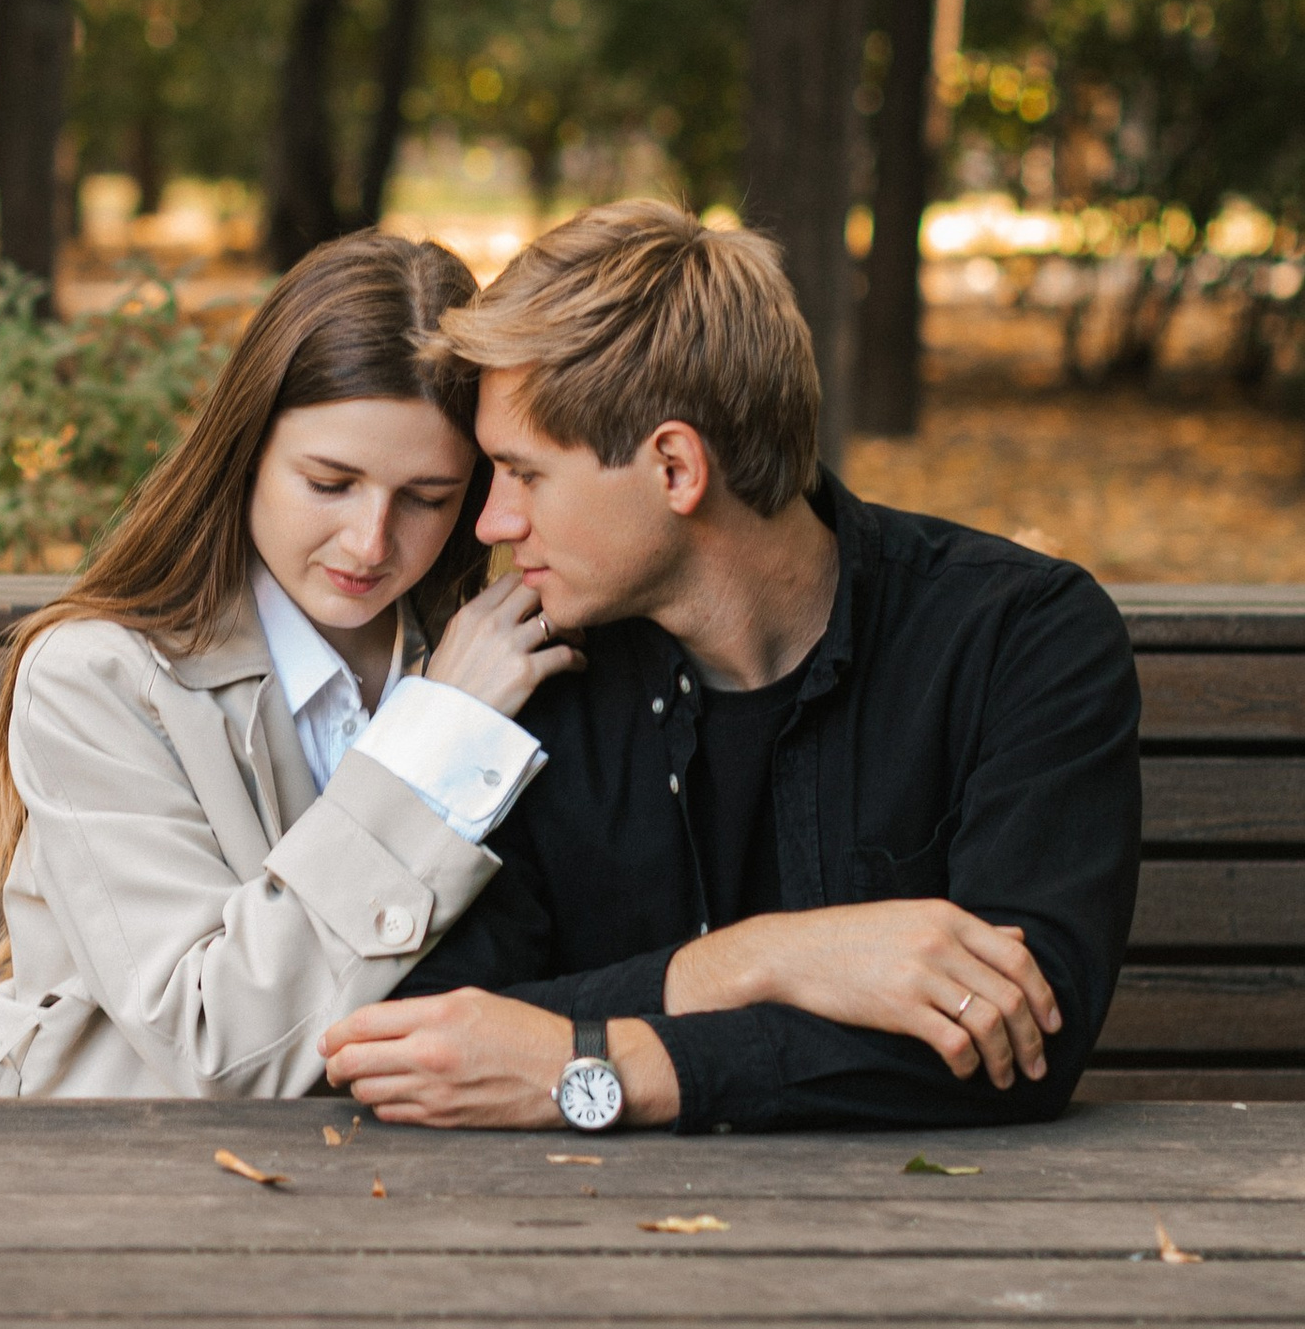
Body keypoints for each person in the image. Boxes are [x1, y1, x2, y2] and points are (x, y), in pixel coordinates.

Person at [318, 200, 1144, 1135]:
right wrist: (762, 960)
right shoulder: (542, 672)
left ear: (675, 468)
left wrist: (600, 1063)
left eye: (525, 473)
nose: (492, 523)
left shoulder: (1017, 641)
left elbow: (1026, 1042)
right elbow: (430, 1029)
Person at [0, 231, 582, 1098]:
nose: (370, 542)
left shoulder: (487, 659)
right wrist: (435, 739)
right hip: (105, 1175)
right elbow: (217, 1040)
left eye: (426, 498)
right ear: (245, 451)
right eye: (330, 483)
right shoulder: (93, 680)